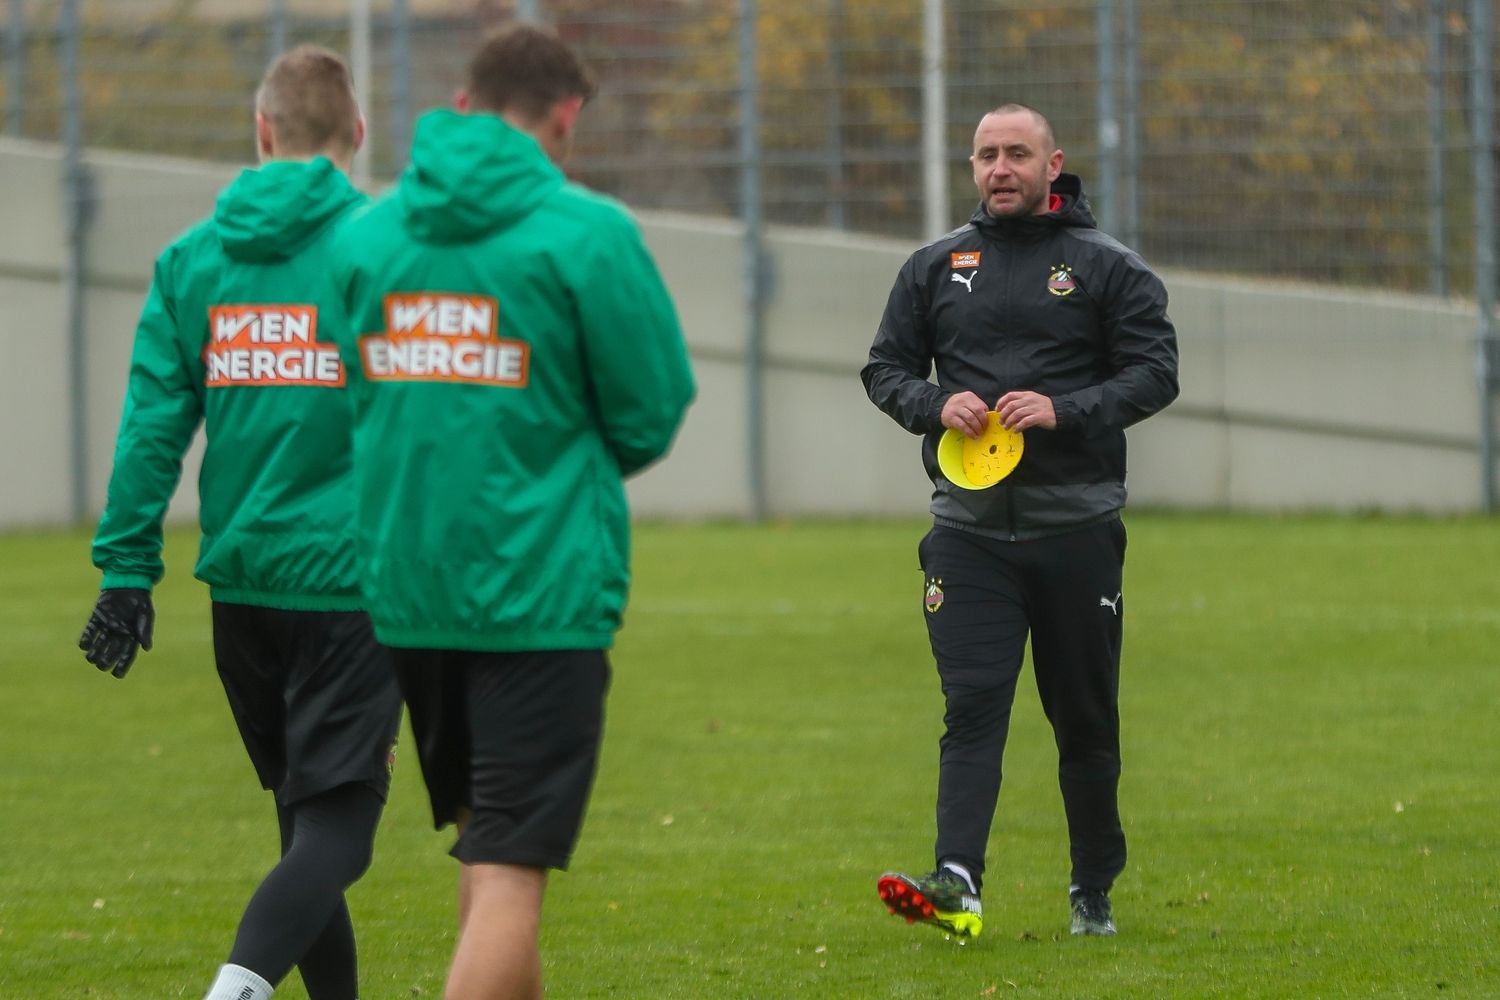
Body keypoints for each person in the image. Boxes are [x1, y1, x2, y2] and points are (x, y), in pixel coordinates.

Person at [328, 23, 695, 1000]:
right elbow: (650, 412)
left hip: (410, 592)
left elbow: (360, 395)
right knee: (509, 876)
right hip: (538, 592)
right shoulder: (587, 235)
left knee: (486, 851)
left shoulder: (367, 237)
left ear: (461, 103)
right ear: (566, 116)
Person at [78, 45, 402, 1000]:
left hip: (246, 598)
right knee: (338, 832)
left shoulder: (192, 263)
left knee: (301, 825)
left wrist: (127, 572)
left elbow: (150, 430)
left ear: (261, 131)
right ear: (359, 135)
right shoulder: (385, 252)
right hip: (353, 589)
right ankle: (236, 990)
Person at [862, 103, 1178, 941]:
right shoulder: (935, 266)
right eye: (985, 156)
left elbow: (1156, 373)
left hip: (1074, 531)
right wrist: (935, 402)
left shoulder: (1107, 266)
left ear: (1052, 164)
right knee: (971, 705)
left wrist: (1065, 410)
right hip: (965, 534)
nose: (999, 169)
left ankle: (1092, 886)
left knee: (1083, 719)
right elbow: (884, 368)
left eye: (1016, 155)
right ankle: (958, 883)